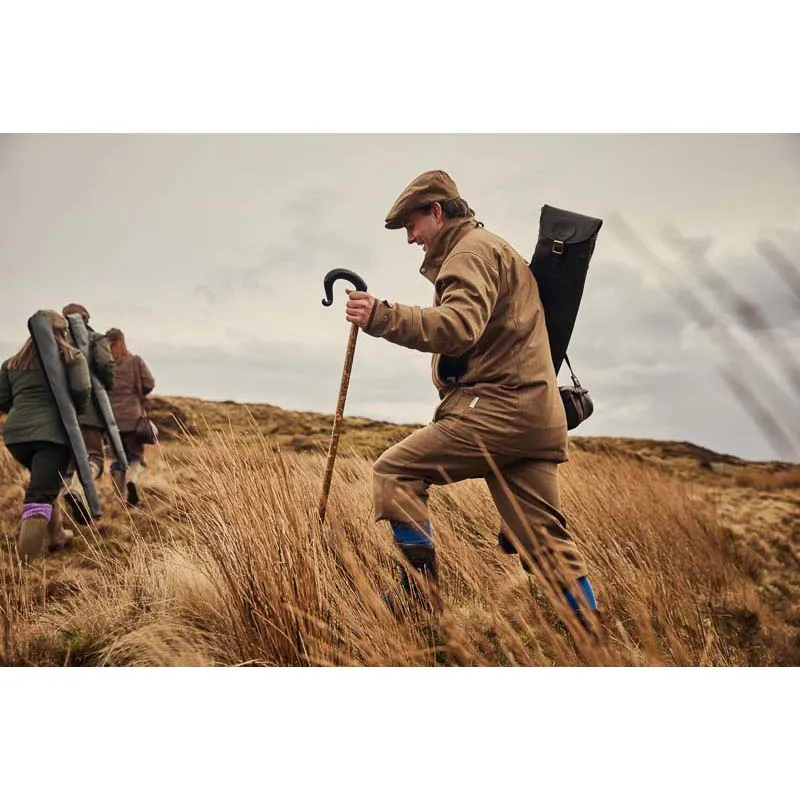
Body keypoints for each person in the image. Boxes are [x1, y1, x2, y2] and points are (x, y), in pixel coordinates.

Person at [344, 169, 599, 620]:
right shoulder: (496, 249)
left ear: (437, 212)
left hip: (500, 411)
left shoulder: (468, 254)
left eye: (412, 225)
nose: (410, 238)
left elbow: (458, 328)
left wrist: (380, 316)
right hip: (536, 416)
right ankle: (590, 637)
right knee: (541, 537)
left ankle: (419, 602)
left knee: (395, 471)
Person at [0, 310, 91, 561]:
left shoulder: (12, 363)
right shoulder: (72, 358)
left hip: (16, 437)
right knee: (40, 493)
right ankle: (25, 565)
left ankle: (57, 536)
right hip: (52, 435)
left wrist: (23, 417)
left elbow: (3, 400)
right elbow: (82, 391)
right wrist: (76, 413)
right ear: (62, 332)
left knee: (47, 483)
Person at [61, 303, 115, 523]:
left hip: (59, 414)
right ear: (86, 318)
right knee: (94, 458)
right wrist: (107, 386)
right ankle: (75, 491)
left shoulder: (52, 345)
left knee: (66, 463)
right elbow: (105, 366)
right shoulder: (97, 340)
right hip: (89, 411)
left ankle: (58, 522)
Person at [104, 327, 155, 506]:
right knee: (135, 457)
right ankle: (132, 480)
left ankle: (121, 500)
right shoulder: (135, 361)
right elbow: (150, 383)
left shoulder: (104, 365)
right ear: (123, 341)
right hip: (133, 419)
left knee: (117, 459)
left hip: (111, 421)